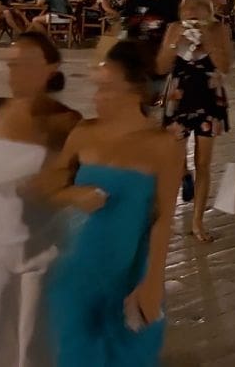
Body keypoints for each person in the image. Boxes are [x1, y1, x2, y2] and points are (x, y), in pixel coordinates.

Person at [40, 41, 179, 366]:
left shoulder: (162, 146)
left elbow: (164, 219)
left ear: (135, 91)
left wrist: (153, 281)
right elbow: (50, 186)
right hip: (77, 271)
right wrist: (73, 195)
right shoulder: (84, 133)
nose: (96, 98)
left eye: (107, 89)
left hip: (130, 271)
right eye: (97, 88)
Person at [0, 32, 80, 367]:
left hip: (37, 248)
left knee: (31, 342)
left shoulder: (66, 122)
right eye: (12, 66)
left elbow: (70, 182)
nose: (16, 75)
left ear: (51, 68)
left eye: (26, 66)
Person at [156, 0, 232, 240]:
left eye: (196, 8)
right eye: (186, 8)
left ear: (207, 9)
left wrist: (208, 42)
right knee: (174, 159)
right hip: (179, 96)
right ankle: (182, 175)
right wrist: (173, 42)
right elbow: (161, 66)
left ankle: (198, 221)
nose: (190, 13)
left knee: (204, 162)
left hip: (208, 97)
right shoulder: (174, 28)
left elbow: (225, 66)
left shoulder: (218, 29)